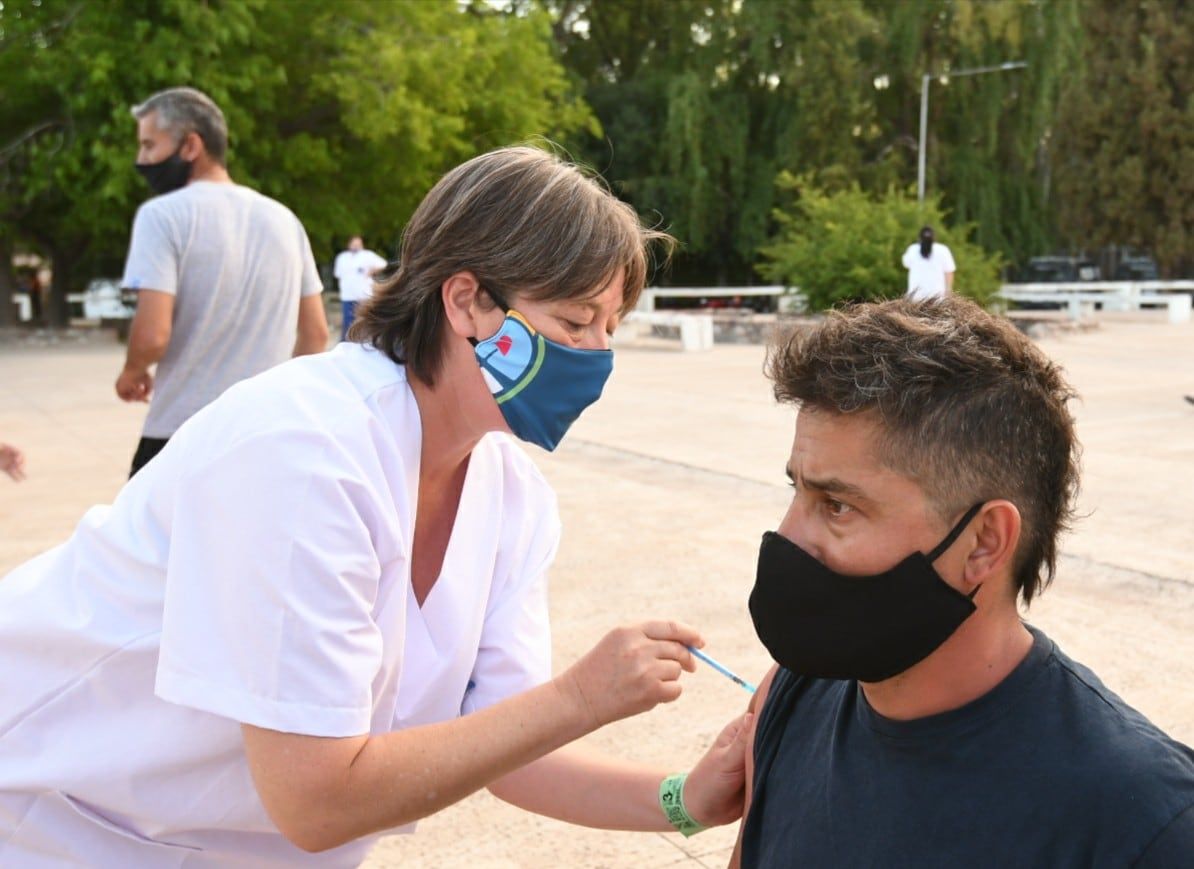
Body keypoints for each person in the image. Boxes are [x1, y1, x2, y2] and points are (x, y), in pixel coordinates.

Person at [0, 146, 748, 866]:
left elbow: (511, 745)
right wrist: (581, 696)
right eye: (575, 322)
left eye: (610, 328)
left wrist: (687, 798)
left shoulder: (511, 499)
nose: (595, 356)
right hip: (45, 815)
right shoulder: (306, 451)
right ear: (467, 301)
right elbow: (316, 799)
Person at [729, 297, 1194, 867]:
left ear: (984, 542)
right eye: (797, 491)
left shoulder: (1144, 824)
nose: (788, 536)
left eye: (838, 506)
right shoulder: (794, 695)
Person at [117, 86, 330, 477]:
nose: (141, 159)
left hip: (181, 433)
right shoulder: (284, 220)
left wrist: (133, 371)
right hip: (264, 435)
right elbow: (315, 334)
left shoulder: (162, 216)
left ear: (191, 146)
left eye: (149, 145)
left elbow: (152, 336)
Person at [334, 235, 387, 340]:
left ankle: (364, 341)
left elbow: (383, 264)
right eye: (354, 243)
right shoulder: (342, 257)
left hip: (363, 294)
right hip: (347, 295)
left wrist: (372, 271)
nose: (356, 246)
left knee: (363, 320)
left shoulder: (367, 255)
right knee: (347, 321)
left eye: (358, 244)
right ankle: (346, 342)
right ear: (349, 244)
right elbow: (338, 274)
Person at [901, 225, 955, 300]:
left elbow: (906, 264)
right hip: (937, 296)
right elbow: (949, 272)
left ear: (919, 238)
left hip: (916, 297)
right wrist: (948, 290)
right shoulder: (943, 250)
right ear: (934, 237)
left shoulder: (912, 249)